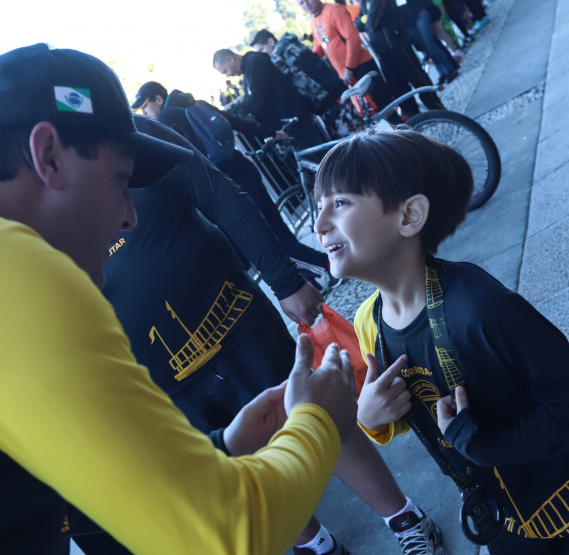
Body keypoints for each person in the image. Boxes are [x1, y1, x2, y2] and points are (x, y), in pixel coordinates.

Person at [0, 43, 362, 555]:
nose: (129, 217)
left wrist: (221, 450)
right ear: (49, 155)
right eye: (121, 179)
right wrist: (318, 418)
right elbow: (228, 535)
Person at [78, 115, 446, 555]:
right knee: (245, 457)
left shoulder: (123, 127)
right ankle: (318, 546)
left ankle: (404, 516)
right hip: (158, 381)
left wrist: (284, 280)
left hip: (236, 322)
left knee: (319, 412)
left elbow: (219, 194)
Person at [312, 128, 569, 554]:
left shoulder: (481, 309)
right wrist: (370, 417)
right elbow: (412, 406)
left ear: (409, 216)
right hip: (502, 521)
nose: (319, 224)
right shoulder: (370, 322)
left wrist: (485, 444)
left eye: (340, 203)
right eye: (319, 206)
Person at [131, 81, 332, 287]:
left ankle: (326, 264)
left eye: (145, 106)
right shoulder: (195, 103)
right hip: (244, 169)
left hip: (228, 185)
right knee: (280, 231)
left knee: (271, 239)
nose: (144, 113)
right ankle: (310, 279)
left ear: (158, 99)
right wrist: (271, 133)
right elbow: (234, 121)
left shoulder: (165, 119)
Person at [297, 0, 405, 124]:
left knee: (384, 104)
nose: (306, 4)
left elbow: (353, 38)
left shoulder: (334, 10)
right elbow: (319, 45)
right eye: (301, 3)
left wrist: (349, 67)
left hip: (360, 65)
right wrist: (304, 60)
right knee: (371, 110)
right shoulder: (313, 20)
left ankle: (406, 132)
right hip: (347, 74)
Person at [213, 48, 328, 149]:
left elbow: (257, 98)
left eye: (225, 71)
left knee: (320, 158)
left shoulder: (254, 62)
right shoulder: (250, 67)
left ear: (230, 59)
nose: (227, 75)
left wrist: (231, 112)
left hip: (295, 122)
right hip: (289, 123)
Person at [355, 0, 447, 115]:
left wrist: (364, 19)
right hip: (382, 52)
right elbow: (358, 25)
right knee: (398, 89)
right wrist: (365, 20)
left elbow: (372, 23)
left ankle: (437, 110)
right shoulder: (364, 2)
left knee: (417, 78)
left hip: (398, 45)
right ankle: (415, 119)